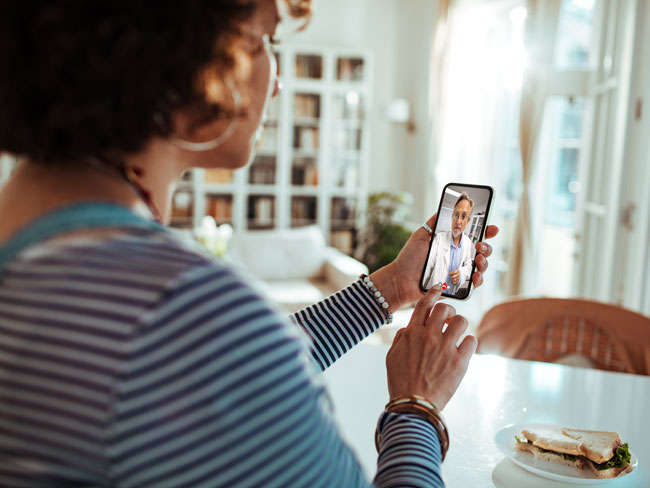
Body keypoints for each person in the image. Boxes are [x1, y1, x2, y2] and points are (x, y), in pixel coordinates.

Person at [0, 1, 498, 487]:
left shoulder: (35, 241)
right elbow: (219, 351)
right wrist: (418, 407)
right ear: (184, 54)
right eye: (266, 39)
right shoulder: (177, 309)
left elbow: (231, 376)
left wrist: (389, 288)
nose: (277, 82)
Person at [422, 193, 475, 294]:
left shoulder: (467, 242)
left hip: (451, 294)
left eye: (463, 216)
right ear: (452, 216)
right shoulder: (438, 239)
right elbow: (428, 263)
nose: (458, 221)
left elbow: (469, 265)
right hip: (433, 294)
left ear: (468, 221)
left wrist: (461, 274)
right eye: (456, 215)